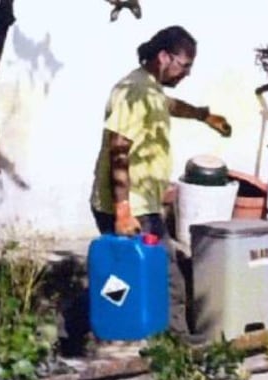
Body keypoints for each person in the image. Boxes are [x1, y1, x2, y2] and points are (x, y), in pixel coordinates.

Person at [90, 25, 232, 342]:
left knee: (128, 276)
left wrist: (201, 115)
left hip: (140, 204)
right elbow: (119, 148)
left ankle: (131, 332)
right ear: (163, 57)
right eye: (184, 65)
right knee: (166, 279)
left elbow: (167, 105)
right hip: (131, 207)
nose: (187, 73)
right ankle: (177, 345)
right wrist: (123, 210)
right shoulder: (135, 91)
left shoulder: (149, 87)